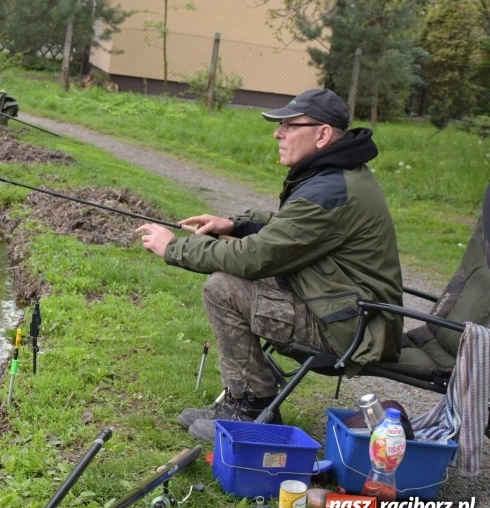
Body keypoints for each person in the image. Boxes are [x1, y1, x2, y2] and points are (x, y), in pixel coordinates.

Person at [136, 89, 403, 442]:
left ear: (322, 134)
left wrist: (175, 248)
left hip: (351, 328)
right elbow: (290, 228)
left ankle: (250, 407)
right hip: (345, 306)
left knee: (224, 287)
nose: (278, 133)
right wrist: (235, 224)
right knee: (229, 280)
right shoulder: (338, 176)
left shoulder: (330, 189)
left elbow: (254, 258)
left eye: (290, 126)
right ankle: (249, 399)